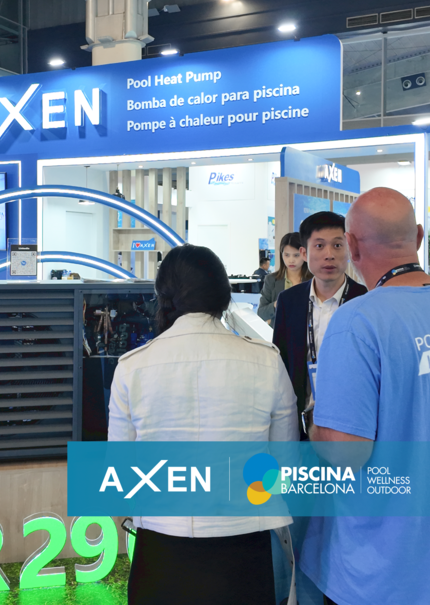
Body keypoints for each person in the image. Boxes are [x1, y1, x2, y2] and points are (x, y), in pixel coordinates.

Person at [300, 187, 430, 605]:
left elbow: (346, 453)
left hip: (377, 573)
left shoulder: (356, 322)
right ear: (419, 236)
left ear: (352, 245)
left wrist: (316, 425)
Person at [109, 244, 298, 605]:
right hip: (245, 547)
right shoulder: (266, 361)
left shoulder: (132, 366)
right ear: (224, 293)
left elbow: (120, 475)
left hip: (160, 550)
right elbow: (284, 466)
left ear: (163, 296)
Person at [272, 211, 367, 440]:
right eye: (319, 246)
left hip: (353, 426)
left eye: (337, 245)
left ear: (349, 249)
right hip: (300, 426)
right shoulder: (289, 301)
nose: (329, 255)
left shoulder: (366, 300)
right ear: (304, 253)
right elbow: (281, 363)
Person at [257, 232, 310, 324]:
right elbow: (261, 313)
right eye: (287, 255)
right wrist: (276, 304)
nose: (291, 260)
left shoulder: (315, 280)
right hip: (279, 331)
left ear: (304, 254)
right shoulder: (271, 279)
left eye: (296, 255)